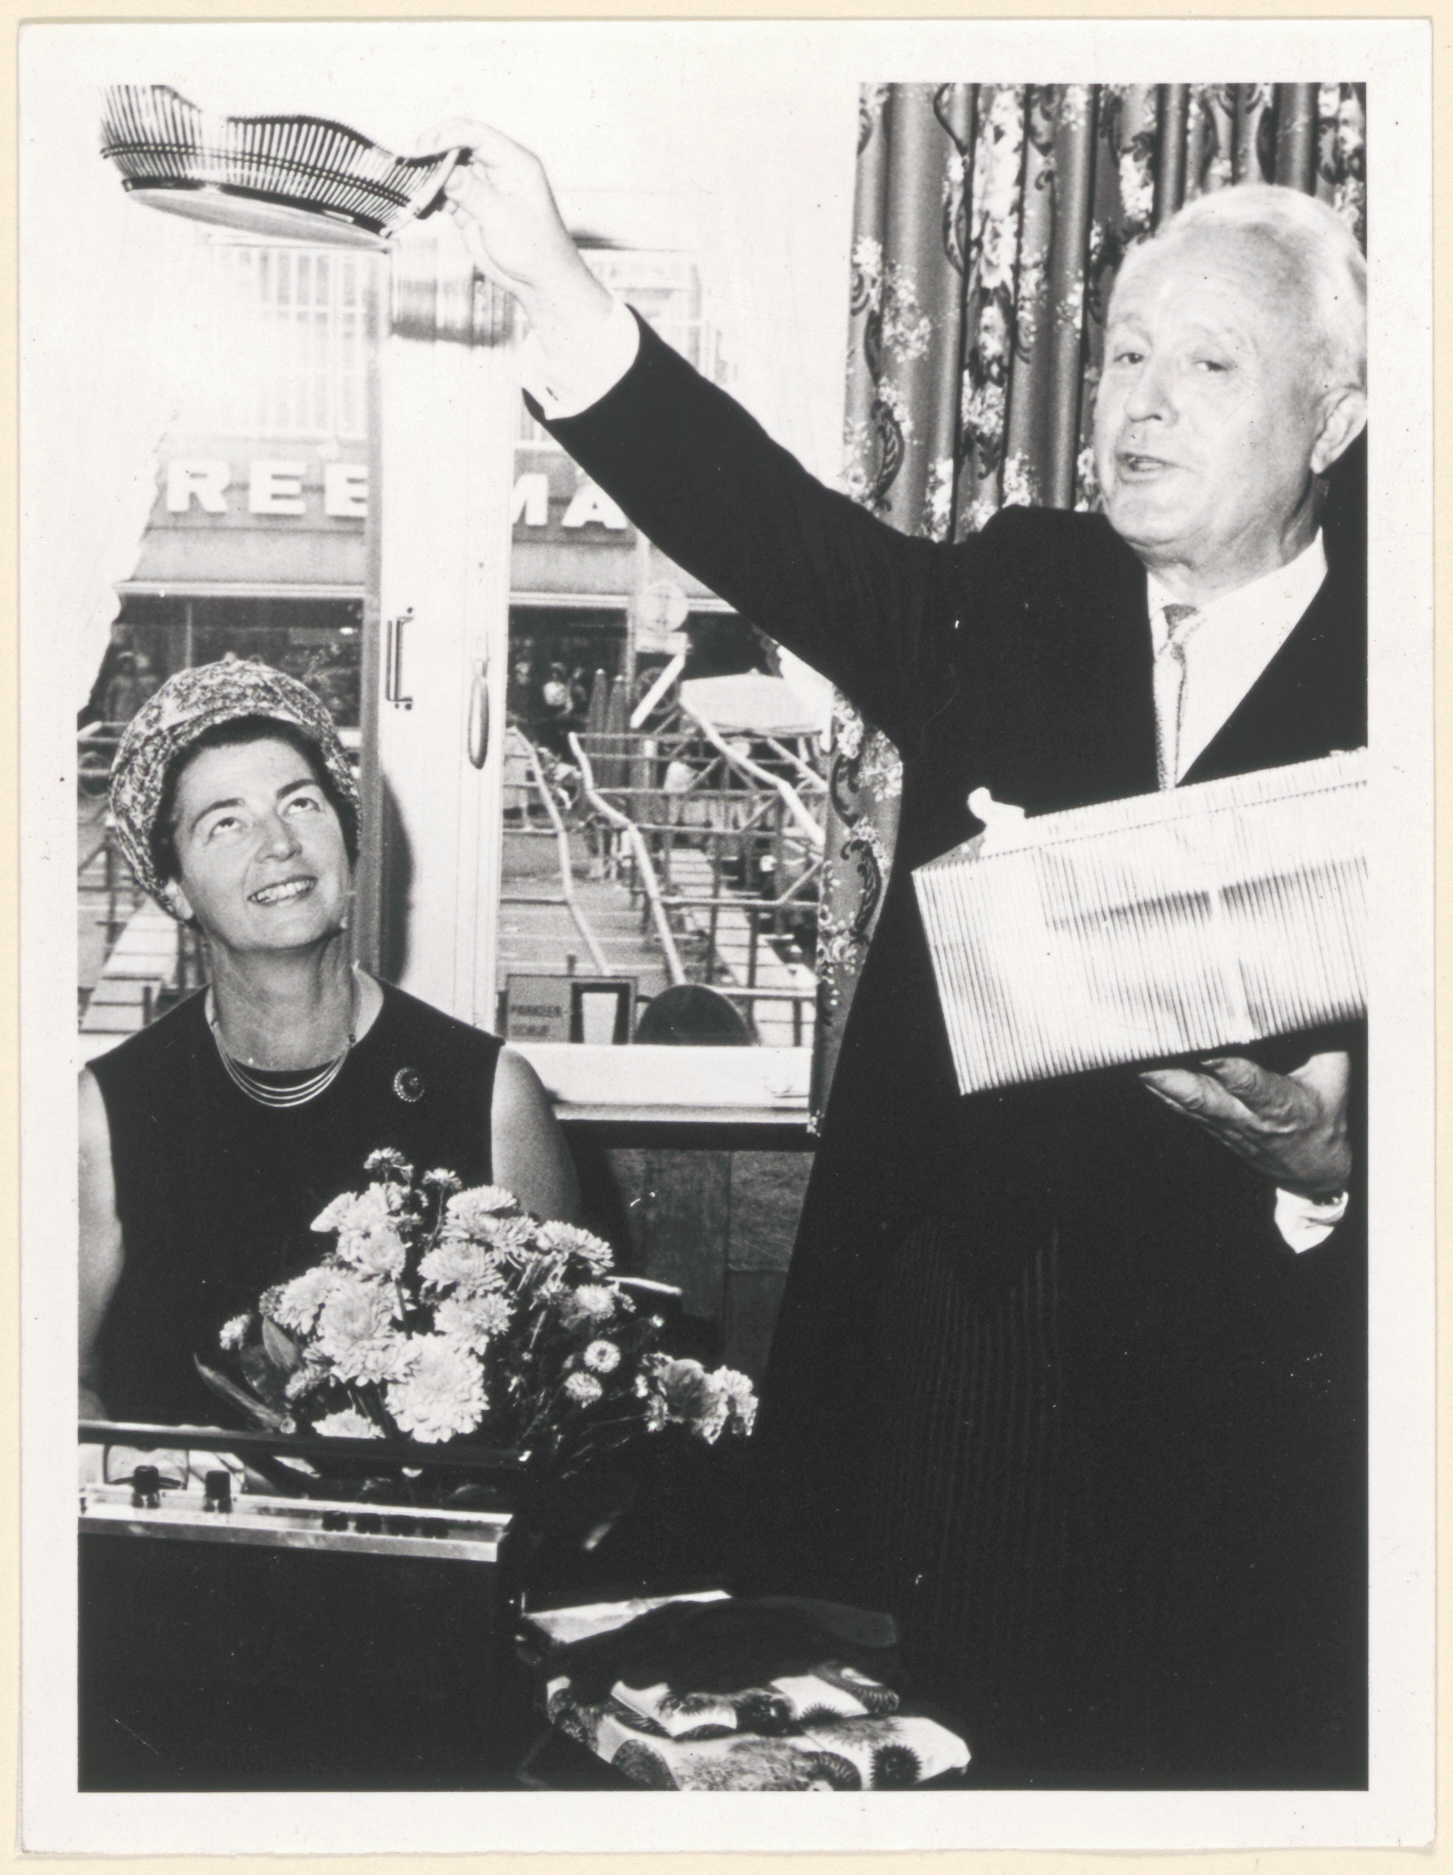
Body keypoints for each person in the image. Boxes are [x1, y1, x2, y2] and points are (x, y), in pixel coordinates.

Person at [431, 123, 1367, 1788]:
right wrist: (555, 284)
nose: (1138, 403)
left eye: (1208, 364)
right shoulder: (1021, 592)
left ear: (1334, 421)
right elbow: (773, 532)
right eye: (1122, 353)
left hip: (1243, 1416)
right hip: (946, 1359)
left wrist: (1332, 1171)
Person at [80, 658, 580, 1428]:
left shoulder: (490, 1093)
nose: (279, 843)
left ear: (347, 838)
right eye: (226, 821)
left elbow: (563, 1398)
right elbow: (49, 1385)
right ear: (172, 886)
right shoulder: (106, 1110)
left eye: (302, 803)